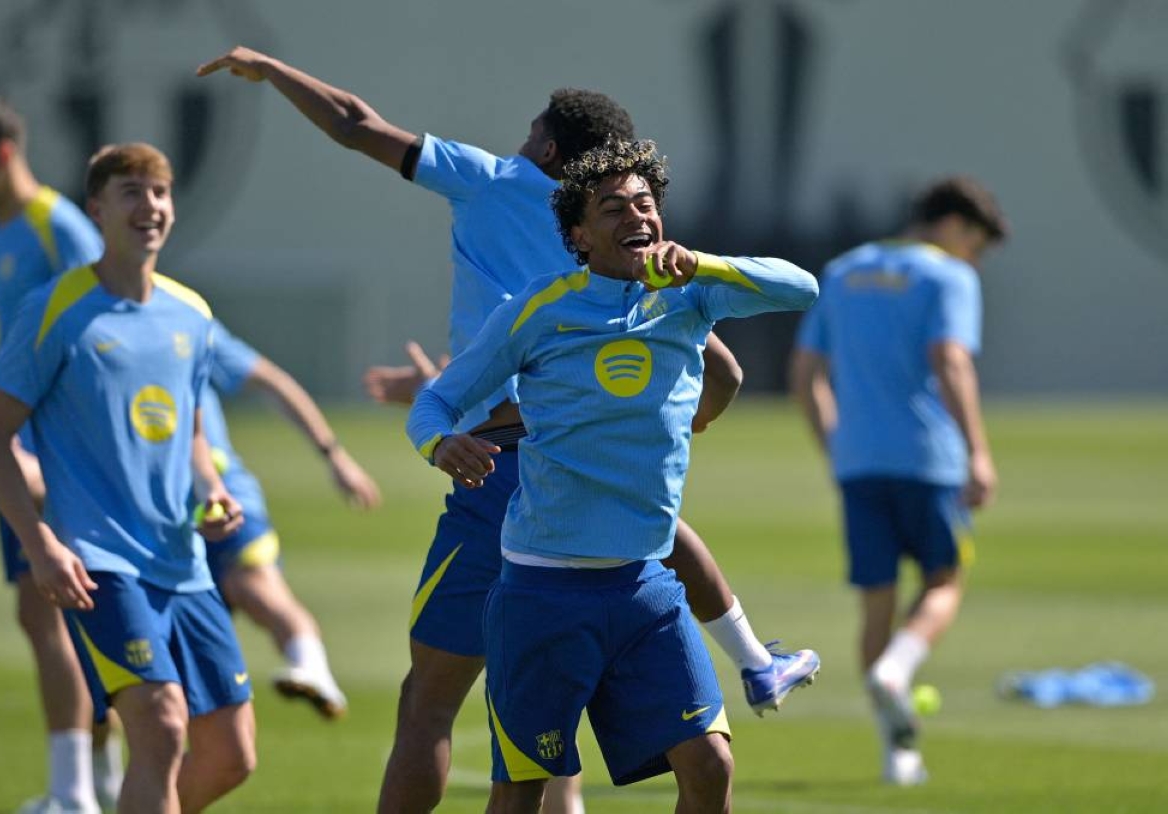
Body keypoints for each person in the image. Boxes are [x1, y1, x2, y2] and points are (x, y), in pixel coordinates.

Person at [199, 47, 820, 813]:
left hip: (502, 463)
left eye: (532, 131)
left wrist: (271, 68)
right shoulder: (647, 286)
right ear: (584, 223)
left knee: (433, 702)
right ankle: (754, 658)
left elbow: (355, 123)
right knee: (616, 590)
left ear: (550, 148)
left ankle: (752, 661)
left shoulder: (492, 181)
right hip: (555, 487)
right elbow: (724, 370)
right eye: (617, 204)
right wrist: (676, 421)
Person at [408, 138, 818, 812]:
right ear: (578, 235)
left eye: (645, 203)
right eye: (612, 208)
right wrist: (439, 443)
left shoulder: (689, 297)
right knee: (520, 795)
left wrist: (703, 263)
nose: (636, 216)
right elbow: (436, 403)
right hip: (541, 592)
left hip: (644, 588)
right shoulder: (540, 310)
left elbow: (801, 287)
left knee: (710, 765)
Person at [0, 142, 257, 814]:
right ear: (96, 210)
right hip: (99, 563)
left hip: (184, 563)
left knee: (230, 754)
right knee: (160, 727)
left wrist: (212, 491)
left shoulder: (192, 313)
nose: (149, 206)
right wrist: (41, 544)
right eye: (131, 192)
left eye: (159, 193)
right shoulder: (55, 309)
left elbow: (191, 431)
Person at [789, 176, 1008, 786]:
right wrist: (978, 452)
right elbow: (950, 359)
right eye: (976, 245)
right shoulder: (948, 276)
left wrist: (835, 447)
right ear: (956, 226)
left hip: (858, 462)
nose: (974, 260)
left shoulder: (843, 271)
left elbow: (805, 372)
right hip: (928, 458)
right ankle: (898, 669)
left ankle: (899, 755)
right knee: (944, 579)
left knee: (876, 606)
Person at [0, 93, 123, 814]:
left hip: (52, 457)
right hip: (4, 451)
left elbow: (111, 318)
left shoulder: (55, 224)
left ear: (2, 153)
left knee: (54, 610)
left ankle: (75, 793)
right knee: (46, 617)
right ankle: (102, 779)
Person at [199, 319, 382, 719]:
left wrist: (334, 455)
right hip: (145, 515)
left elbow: (272, 381)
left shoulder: (184, 315)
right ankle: (92, 758)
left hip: (223, 496)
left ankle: (311, 665)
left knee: (253, 583)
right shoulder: (74, 319)